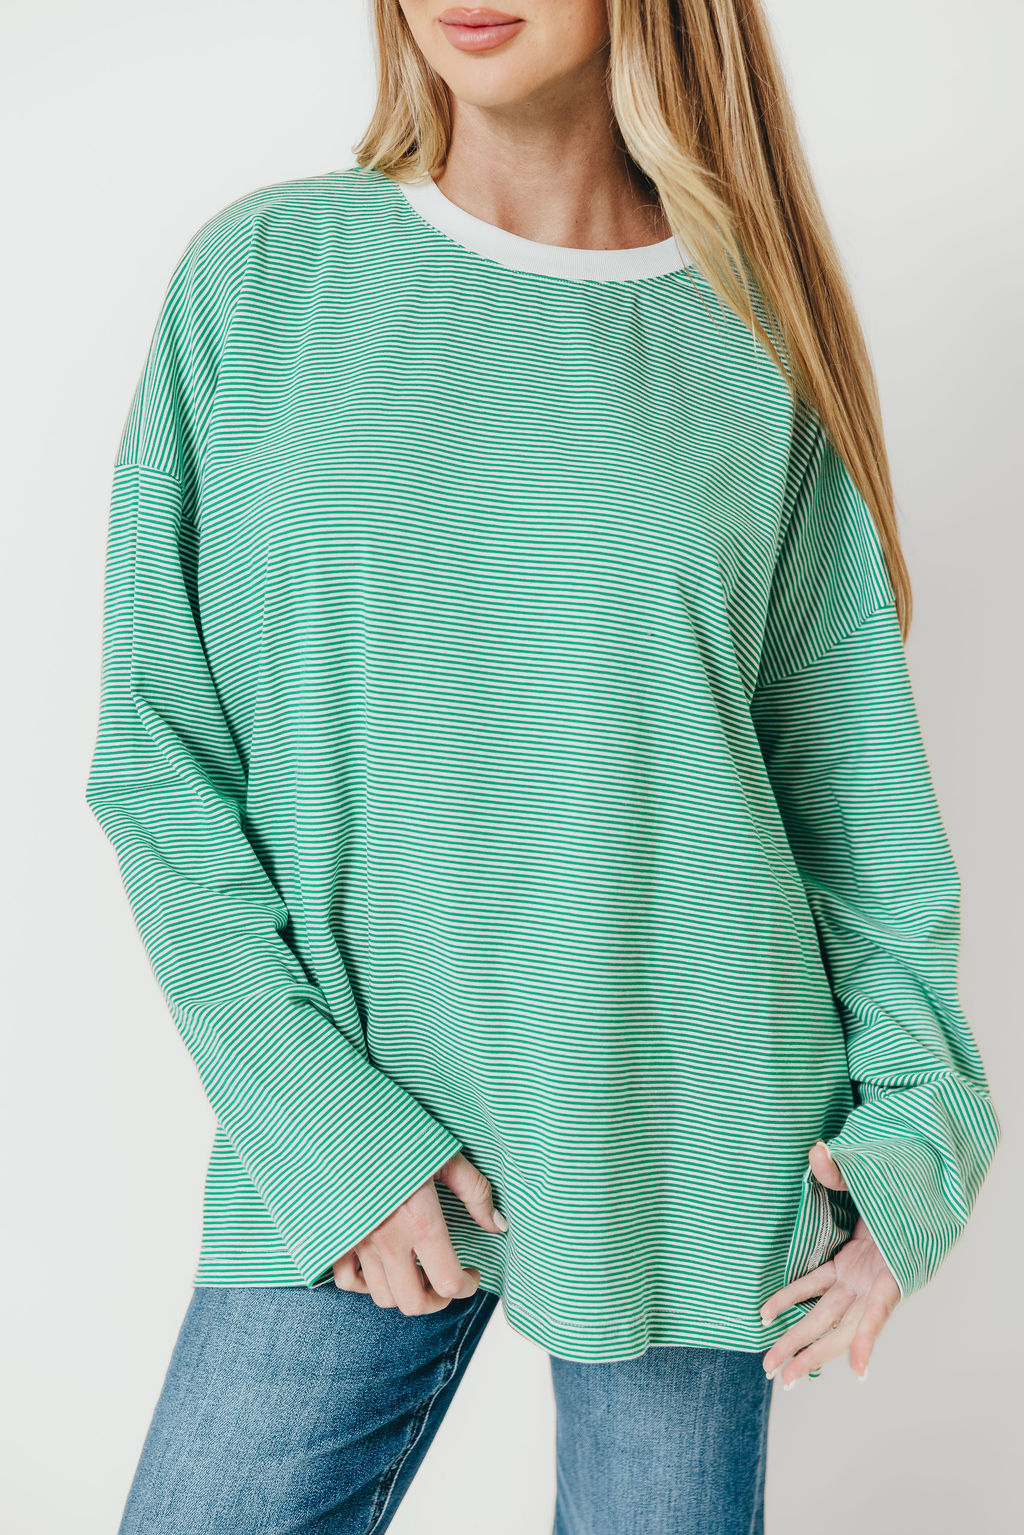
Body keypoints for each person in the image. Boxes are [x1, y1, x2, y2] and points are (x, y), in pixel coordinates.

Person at [84, 3, 1002, 1531]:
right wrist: (319, 1126)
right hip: (351, 1107)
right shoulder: (263, 277)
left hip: (697, 1125)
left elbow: (850, 796)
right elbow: (159, 757)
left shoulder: (752, 328)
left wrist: (919, 1126)